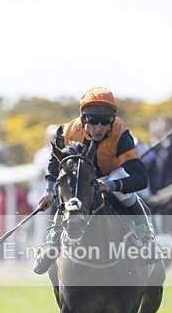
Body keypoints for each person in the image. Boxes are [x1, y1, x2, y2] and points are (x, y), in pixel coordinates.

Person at [33, 86, 158, 274]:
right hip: (82, 177)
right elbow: (54, 161)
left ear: (113, 120)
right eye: (93, 121)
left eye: (105, 121)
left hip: (112, 173)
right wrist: (49, 189)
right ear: (84, 119)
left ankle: (146, 237)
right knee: (69, 197)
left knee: (127, 196)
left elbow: (140, 179)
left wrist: (111, 185)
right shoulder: (66, 131)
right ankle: (52, 243)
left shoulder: (121, 134)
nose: (99, 128)